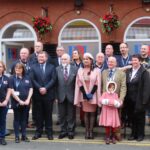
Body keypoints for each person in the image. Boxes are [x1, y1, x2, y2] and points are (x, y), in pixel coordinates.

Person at [74, 53, 101, 139]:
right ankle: (86, 131)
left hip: (93, 94)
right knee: (86, 113)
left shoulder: (97, 70)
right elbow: (79, 83)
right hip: (84, 94)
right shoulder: (80, 70)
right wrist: (85, 94)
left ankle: (91, 131)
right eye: (84, 59)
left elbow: (97, 83)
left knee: (93, 114)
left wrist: (91, 94)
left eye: (88, 59)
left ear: (91, 61)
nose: (86, 60)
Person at [31, 51, 56, 140]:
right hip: (37, 94)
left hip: (48, 94)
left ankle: (49, 133)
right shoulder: (33, 67)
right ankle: (38, 132)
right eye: (39, 57)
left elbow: (53, 79)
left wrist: (45, 88)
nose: (40, 58)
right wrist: (40, 88)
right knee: (38, 115)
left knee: (48, 115)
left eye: (42, 57)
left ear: (46, 58)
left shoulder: (52, 67)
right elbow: (32, 79)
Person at [125, 54, 150, 141]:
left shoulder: (144, 72)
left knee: (140, 119)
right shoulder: (129, 71)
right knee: (132, 118)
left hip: (140, 100)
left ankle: (140, 135)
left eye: (136, 60)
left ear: (140, 61)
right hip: (130, 100)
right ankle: (133, 134)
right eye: (133, 60)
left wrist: (145, 100)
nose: (134, 62)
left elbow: (147, 87)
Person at [101, 56, 126, 141]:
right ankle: (108, 135)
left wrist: (121, 99)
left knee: (116, 118)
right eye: (109, 62)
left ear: (116, 63)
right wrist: (102, 98)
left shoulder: (121, 73)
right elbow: (102, 86)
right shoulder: (104, 72)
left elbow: (123, 87)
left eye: (112, 62)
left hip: (116, 100)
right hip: (106, 101)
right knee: (107, 118)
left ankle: (115, 134)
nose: (110, 63)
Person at [9, 63, 33, 143]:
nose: (17, 70)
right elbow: (11, 91)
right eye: (16, 69)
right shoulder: (11, 78)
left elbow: (31, 89)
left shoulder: (27, 77)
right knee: (17, 120)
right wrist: (19, 101)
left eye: (19, 69)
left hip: (26, 103)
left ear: (23, 69)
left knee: (24, 120)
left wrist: (28, 100)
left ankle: (24, 135)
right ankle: (16, 136)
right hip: (16, 102)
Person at [56, 53, 78, 139]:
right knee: (62, 115)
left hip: (71, 96)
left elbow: (77, 84)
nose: (64, 61)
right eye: (62, 59)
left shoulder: (75, 69)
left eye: (65, 59)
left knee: (71, 115)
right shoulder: (57, 69)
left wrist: (76, 96)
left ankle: (71, 131)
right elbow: (55, 84)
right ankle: (63, 131)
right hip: (60, 95)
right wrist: (56, 96)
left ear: (69, 60)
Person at [52, 46, 65, 125]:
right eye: (58, 50)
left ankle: (65, 119)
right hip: (57, 85)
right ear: (56, 52)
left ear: (63, 51)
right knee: (58, 105)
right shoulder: (53, 61)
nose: (59, 51)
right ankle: (59, 119)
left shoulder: (68, 60)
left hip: (66, 85)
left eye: (61, 50)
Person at [71, 49, 84, 126]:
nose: (74, 55)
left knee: (82, 104)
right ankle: (73, 121)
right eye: (73, 54)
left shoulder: (83, 63)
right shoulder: (71, 64)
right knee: (73, 104)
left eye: (75, 53)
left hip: (82, 85)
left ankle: (82, 120)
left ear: (79, 54)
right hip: (73, 86)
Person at [0, 61, 11, 145]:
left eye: (1, 66)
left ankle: (2, 137)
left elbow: (9, 90)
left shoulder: (7, 78)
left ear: (3, 68)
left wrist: (6, 101)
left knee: (2, 121)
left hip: (4, 104)